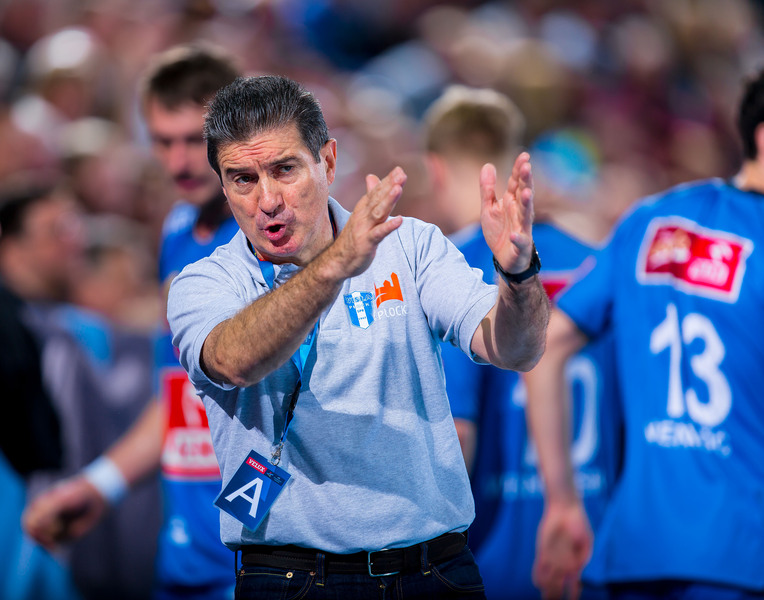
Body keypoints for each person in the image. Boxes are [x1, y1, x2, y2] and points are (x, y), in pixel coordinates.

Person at [166, 74, 549, 600]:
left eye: (284, 169)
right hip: (291, 581)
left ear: (327, 161)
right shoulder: (204, 283)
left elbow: (518, 349)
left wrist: (519, 275)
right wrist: (336, 264)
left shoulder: (410, 246)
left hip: (435, 571)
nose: (268, 200)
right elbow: (234, 360)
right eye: (243, 179)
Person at [525, 69, 764, 600]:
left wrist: (561, 502)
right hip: (745, 556)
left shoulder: (650, 220)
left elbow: (546, 347)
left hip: (631, 553)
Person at [23, 44, 241, 600]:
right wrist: (100, 485)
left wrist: (256, 525)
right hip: (185, 552)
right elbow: (182, 391)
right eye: (163, 141)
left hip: (258, 561)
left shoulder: (273, 237)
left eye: (194, 140)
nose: (179, 162)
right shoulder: (177, 230)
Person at [424, 87, 623, 600]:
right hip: (594, 547)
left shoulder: (449, 270)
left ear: (436, 169)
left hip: (488, 560)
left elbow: (455, 436)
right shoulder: (598, 262)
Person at [0, 183, 83, 600]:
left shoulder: (64, 326)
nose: (72, 244)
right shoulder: (10, 327)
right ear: (12, 248)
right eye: (55, 232)